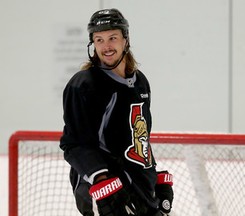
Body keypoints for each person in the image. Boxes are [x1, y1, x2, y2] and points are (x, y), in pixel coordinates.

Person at [60, 8, 174, 216]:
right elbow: (74, 144)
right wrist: (103, 184)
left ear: (125, 40)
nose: (106, 46)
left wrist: (153, 176)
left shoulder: (139, 82)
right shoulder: (84, 85)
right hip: (107, 191)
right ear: (92, 44)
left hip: (141, 187)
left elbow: (138, 136)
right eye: (99, 39)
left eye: (112, 38)